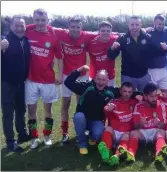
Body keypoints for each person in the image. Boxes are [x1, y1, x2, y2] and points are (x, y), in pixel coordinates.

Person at [25, 9, 63, 149]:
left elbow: (59, 57)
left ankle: (47, 135)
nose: (40, 23)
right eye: (37, 20)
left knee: (48, 110)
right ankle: (34, 137)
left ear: (48, 20)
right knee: (31, 111)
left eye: (43, 20)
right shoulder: (27, 30)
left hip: (48, 80)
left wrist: (59, 74)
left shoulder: (54, 36)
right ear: (33, 20)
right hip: (31, 80)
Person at [64, 65, 120, 155]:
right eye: (98, 79)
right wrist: (79, 70)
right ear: (94, 78)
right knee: (79, 116)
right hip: (83, 119)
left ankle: (92, 137)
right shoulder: (87, 87)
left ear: (107, 81)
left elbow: (125, 91)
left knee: (98, 134)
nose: (100, 82)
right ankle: (82, 143)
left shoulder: (110, 92)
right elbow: (68, 82)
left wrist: (137, 95)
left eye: (103, 80)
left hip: (97, 121)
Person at [108, 16, 167, 91]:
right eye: (132, 25)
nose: (134, 27)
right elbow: (111, 56)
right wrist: (112, 49)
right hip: (127, 76)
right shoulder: (122, 39)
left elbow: (155, 52)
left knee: (144, 99)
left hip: (144, 76)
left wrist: (164, 50)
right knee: (128, 99)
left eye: (137, 25)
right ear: (128, 25)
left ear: (141, 25)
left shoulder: (147, 37)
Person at [1, 15, 31, 152]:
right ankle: (10, 141)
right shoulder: (4, 40)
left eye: (22, 26)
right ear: (11, 26)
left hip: (22, 83)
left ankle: (22, 134)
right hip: (7, 83)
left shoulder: (26, 41)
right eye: (16, 25)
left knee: (21, 110)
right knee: (8, 113)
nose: (19, 28)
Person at [120, 83, 167, 163]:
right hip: (143, 132)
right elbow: (135, 126)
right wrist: (140, 123)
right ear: (145, 96)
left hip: (155, 131)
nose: (154, 99)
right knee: (133, 133)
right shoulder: (138, 106)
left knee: (162, 132)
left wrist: (158, 124)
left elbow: (163, 125)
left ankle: (159, 153)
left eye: (156, 96)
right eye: (152, 96)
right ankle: (131, 154)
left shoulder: (161, 105)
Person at [97, 82, 140, 166]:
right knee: (108, 128)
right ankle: (106, 151)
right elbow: (106, 109)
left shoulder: (134, 102)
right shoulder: (115, 102)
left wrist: (141, 97)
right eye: (125, 91)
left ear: (132, 93)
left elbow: (149, 98)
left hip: (125, 133)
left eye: (129, 92)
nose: (127, 94)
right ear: (120, 91)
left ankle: (117, 155)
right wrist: (108, 108)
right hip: (114, 132)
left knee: (127, 135)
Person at [89, 21, 119, 87]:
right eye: (103, 30)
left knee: (109, 96)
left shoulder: (115, 39)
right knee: (93, 96)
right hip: (94, 76)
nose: (105, 32)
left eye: (108, 31)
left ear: (111, 32)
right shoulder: (91, 42)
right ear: (99, 32)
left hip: (109, 77)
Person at [147, 14, 167, 93]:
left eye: (163, 24)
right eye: (159, 24)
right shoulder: (148, 33)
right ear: (154, 23)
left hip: (163, 68)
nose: (161, 26)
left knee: (166, 93)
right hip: (152, 69)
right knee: (152, 94)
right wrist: (165, 50)